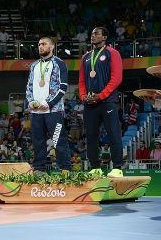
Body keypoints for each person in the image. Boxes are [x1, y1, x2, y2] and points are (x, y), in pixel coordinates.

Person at [78, 27, 124, 178]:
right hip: (90, 103)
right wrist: (84, 96)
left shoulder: (112, 53)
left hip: (107, 101)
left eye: (96, 33)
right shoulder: (85, 56)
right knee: (91, 135)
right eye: (91, 33)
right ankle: (95, 167)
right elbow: (82, 81)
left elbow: (117, 78)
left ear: (104, 37)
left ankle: (117, 167)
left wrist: (101, 96)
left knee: (113, 133)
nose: (92, 36)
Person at [26, 37, 71, 174]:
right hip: (36, 113)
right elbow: (29, 86)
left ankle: (65, 168)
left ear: (51, 47)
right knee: (38, 141)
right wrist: (30, 101)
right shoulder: (33, 65)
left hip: (54, 111)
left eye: (44, 44)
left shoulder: (59, 64)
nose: (40, 46)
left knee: (58, 139)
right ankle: (39, 169)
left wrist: (49, 103)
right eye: (39, 44)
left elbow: (63, 87)